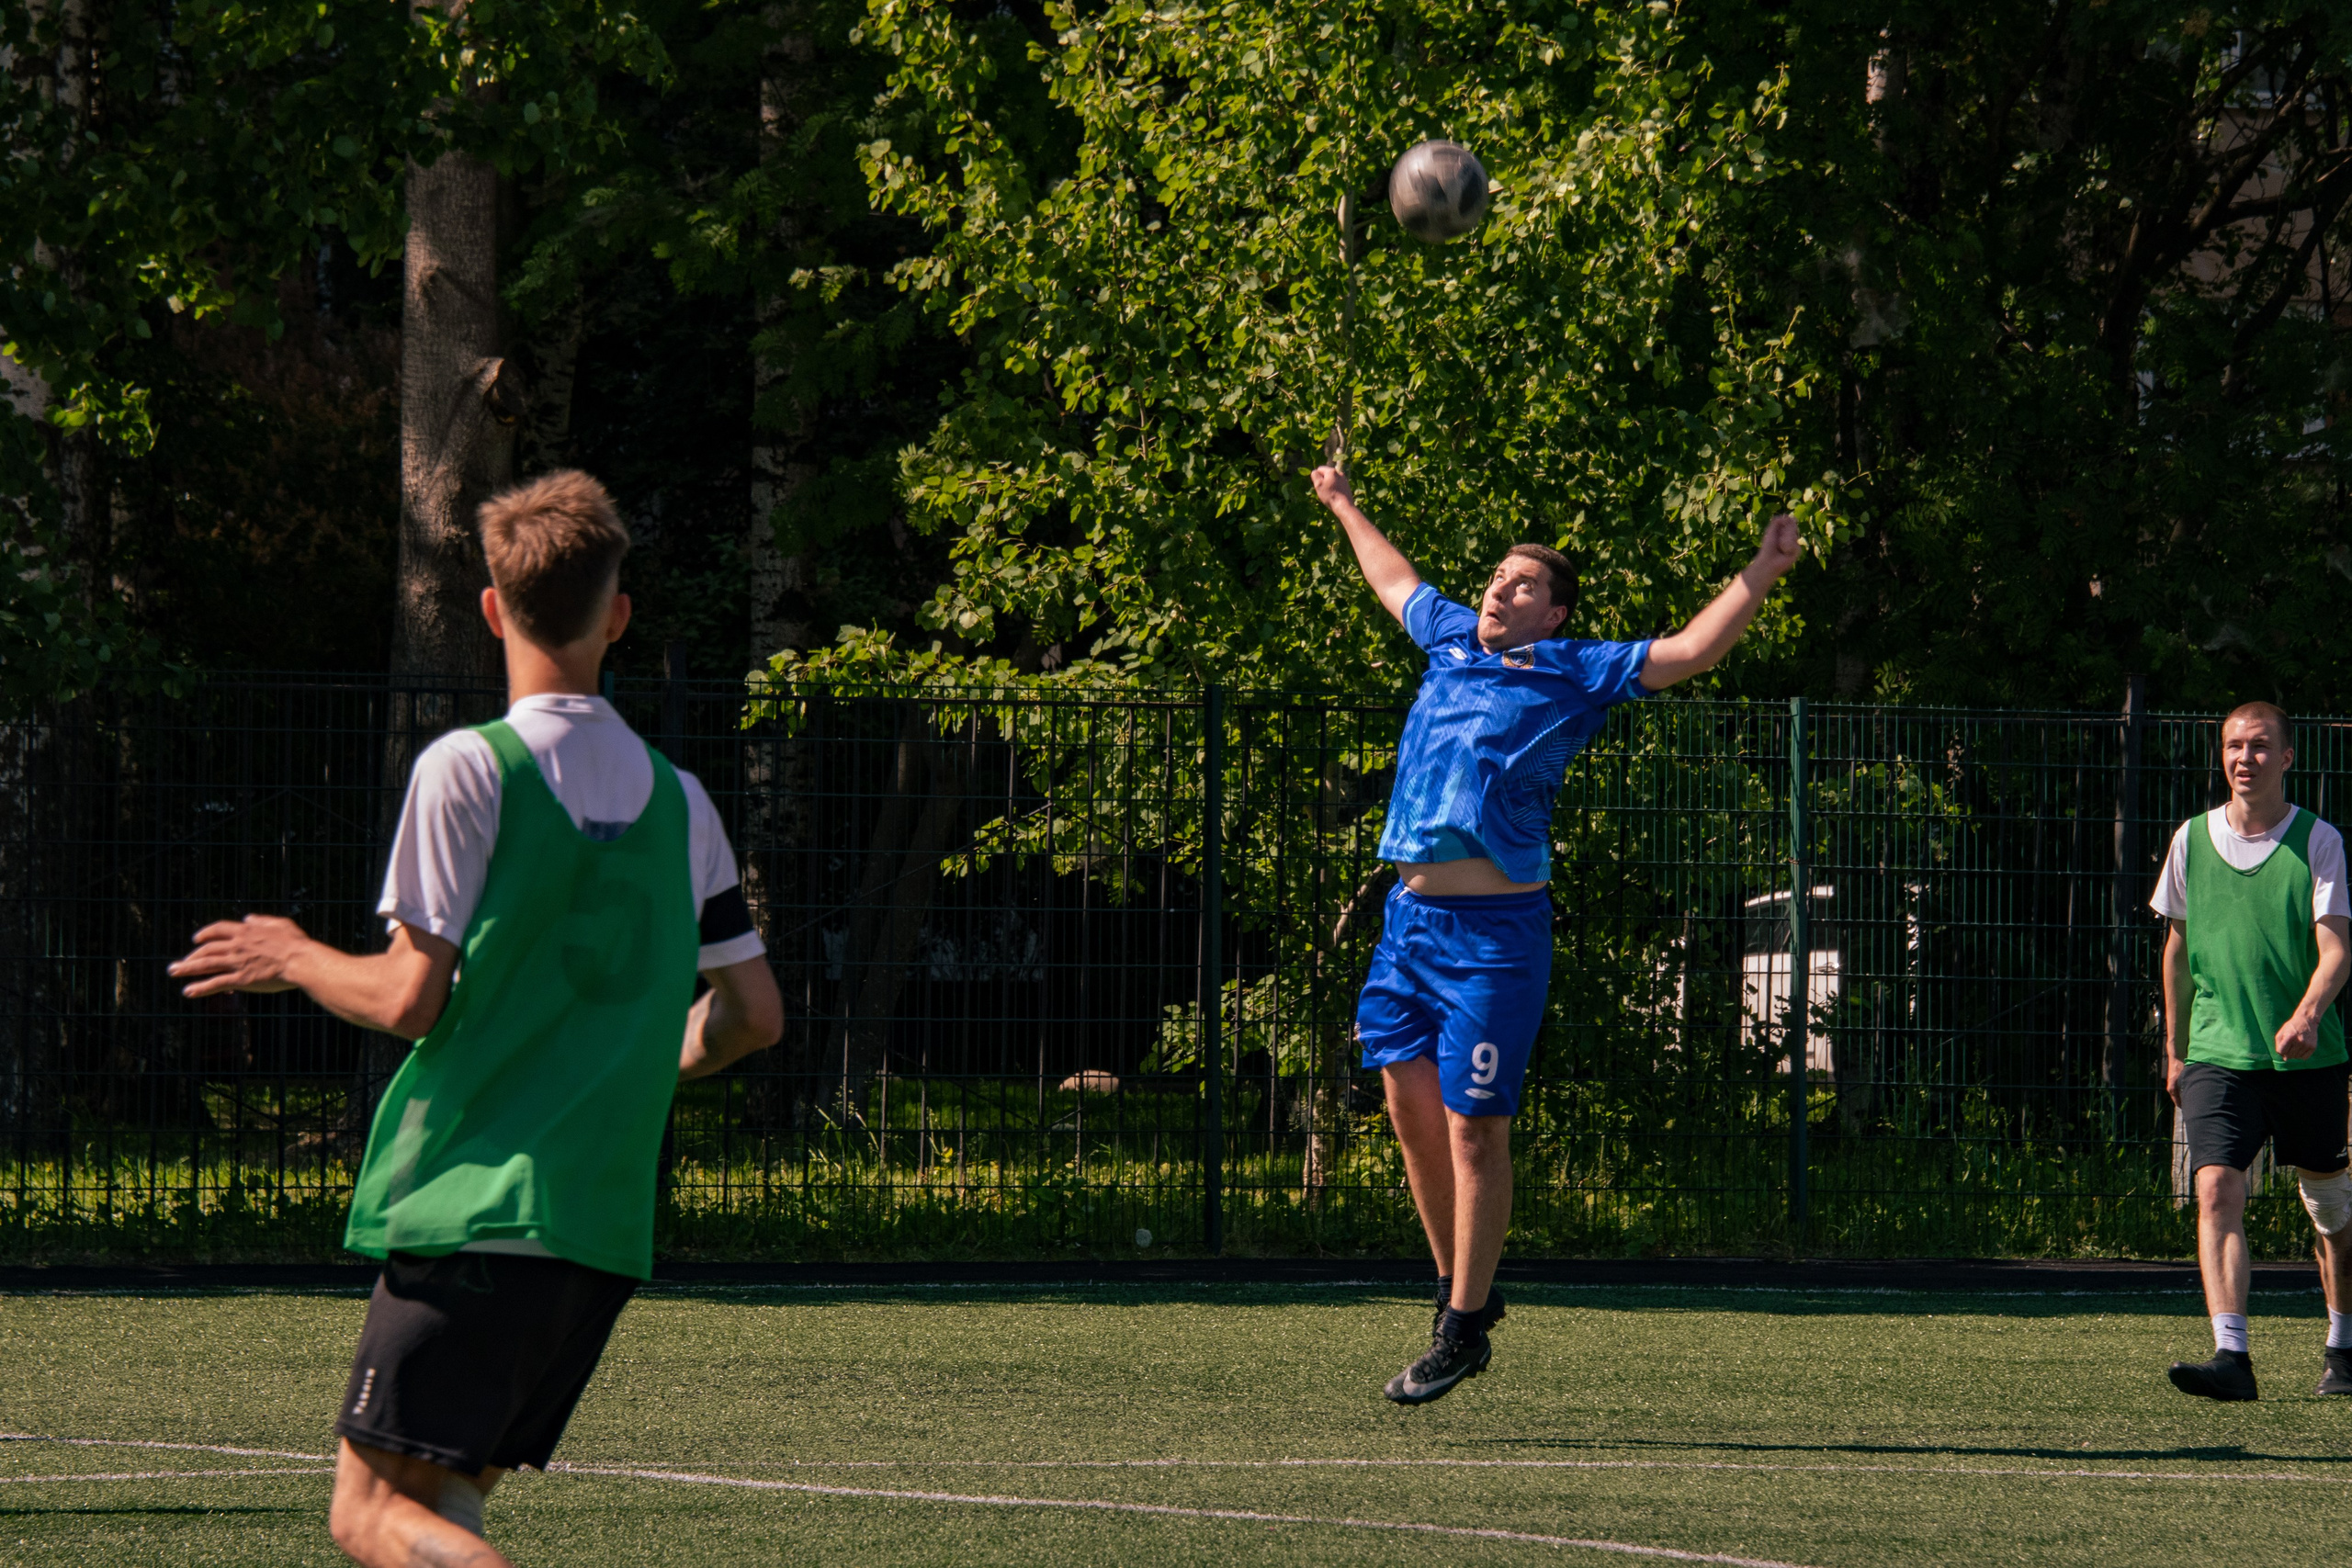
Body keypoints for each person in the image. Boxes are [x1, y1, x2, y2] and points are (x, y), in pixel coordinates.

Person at [169, 471, 785, 1567]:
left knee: (365, 1514)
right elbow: (751, 1018)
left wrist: (299, 956)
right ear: (619, 616)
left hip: (474, 1212)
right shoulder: (681, 796)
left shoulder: (469, 768)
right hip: (597, 1229)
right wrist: (634, 1060)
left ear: (493, 609)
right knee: (445, 1508)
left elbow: (410, 999)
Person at [1310, 464, 1801, 1404]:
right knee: (1407, 1107)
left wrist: (1763, 568)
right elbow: (1390, 577)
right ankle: (1466, 1295)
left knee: (1473, 1130)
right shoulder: (1450, 639)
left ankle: (1459, 1324)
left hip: (1495, 934)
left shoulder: (1575, 672)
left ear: (1553, 615)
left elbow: (1693, 650)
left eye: (1522, 583)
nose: (1498, 587)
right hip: (1408, 924)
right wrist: (1340, 501)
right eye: (1496, 575)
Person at [2152, 701, 2351, 1402]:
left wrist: (2305, 1015)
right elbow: (2176, 951)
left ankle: (2343, 1342)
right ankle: (2232, 1355)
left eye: (2261, 746)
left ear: (2288, 757)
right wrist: (2175, 1052)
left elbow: (2337, 951)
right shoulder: (2190, 840)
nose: (2245, 758)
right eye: (2235, 746)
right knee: (2216, 1187)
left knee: (2331, 1214)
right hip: (2217, 1052)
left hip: (2309, 1059)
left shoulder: (2319, 841)